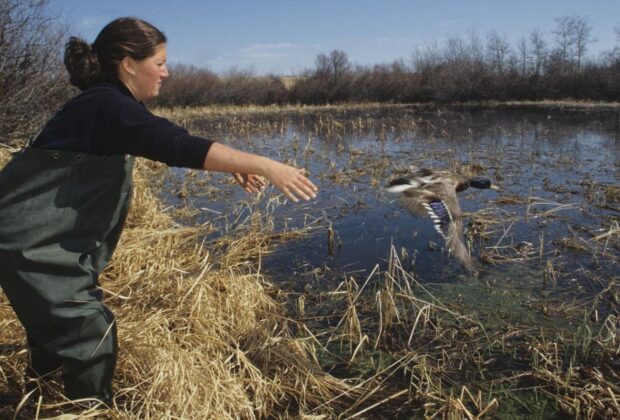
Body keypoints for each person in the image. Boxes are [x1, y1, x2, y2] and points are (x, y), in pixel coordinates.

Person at [0, 17, 317, 406]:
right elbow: (173, 144)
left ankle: (40, 399)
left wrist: (236, 162)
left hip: (41, 243)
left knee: (55, 328)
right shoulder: (107, 105)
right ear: (128, 64)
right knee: (87, 332)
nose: (166, 73)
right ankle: (85, 411)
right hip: (31, 246)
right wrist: (266, 164)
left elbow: (164, 137)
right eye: (160, 62)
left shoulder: (104, 104)